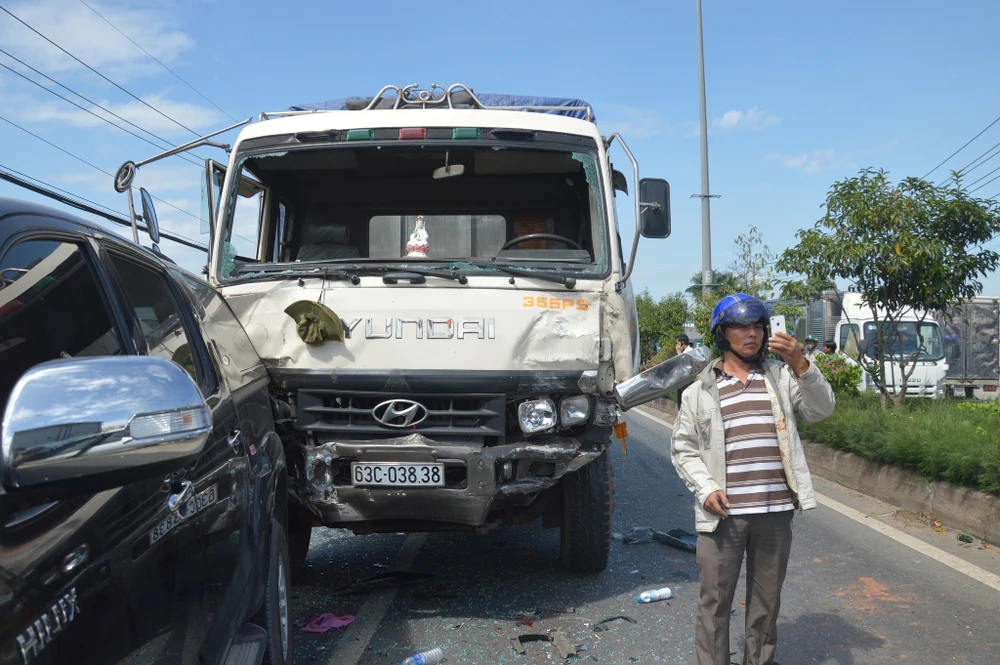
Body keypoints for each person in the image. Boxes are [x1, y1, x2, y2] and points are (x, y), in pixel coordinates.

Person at [670, 293, 835, 665]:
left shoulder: (780, 377)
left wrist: (801, 364)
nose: (753, 334)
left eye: (758, 326)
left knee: (766, 601)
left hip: (775, 513)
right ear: (721, 334)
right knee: (714, 601)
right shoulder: (700, 391)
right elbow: (683, 448)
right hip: (723, 514)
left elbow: (822, 410)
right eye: (741, 326)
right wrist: (706, 487)